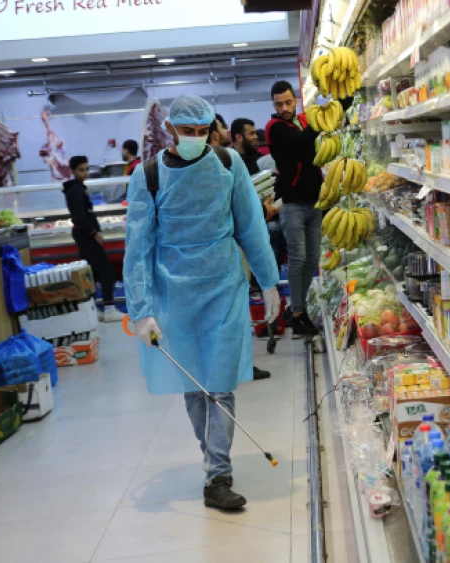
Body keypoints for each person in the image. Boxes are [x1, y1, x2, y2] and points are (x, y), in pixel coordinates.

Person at [124, 95, 280, 510]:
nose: (194, 138)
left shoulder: (228, 166)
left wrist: (269, 283)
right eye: (186, 131)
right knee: (194, 387)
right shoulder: (149, 175)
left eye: (201, 131)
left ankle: (218, 476)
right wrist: (140, 310)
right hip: (173, 293)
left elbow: (251, 227)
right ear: (171, 129)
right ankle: (212, 455)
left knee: (220, 383)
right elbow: (137, 248)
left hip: (223, 285)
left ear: (211, 129)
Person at [207, 117, 273, 383]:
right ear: (213, 136)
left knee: (231, 312)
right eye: (222, 129)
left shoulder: (224, 164)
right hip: (230, 250)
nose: (226, 133)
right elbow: (241, 216)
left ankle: (238, 364)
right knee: (230, 313)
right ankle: (238, 365)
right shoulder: (225, 163)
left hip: (226, 252)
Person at [265, 80, 323, 338]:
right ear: (274, 105)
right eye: (279, 104)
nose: (285, 108)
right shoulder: (275, 127)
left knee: (312, 259)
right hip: (293, 204)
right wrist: (319, 120)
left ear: (296, 100)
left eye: (288, 102)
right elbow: (302, 143)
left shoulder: (303, 119)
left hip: (315, 201)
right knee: (298, 259)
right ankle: (298, 312)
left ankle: (297, 308)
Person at [63, 156, 125, 323]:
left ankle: (91, 309)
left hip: (83, 234)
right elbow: (79, 216)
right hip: (85, 235)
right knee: (107, 272)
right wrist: (94, 233)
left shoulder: (78, 188)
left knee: (91, 273)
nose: (85, 173)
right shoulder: (76, 190)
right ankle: (109, 309)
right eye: (81, 170)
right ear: (73, 171)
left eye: (86, 169)